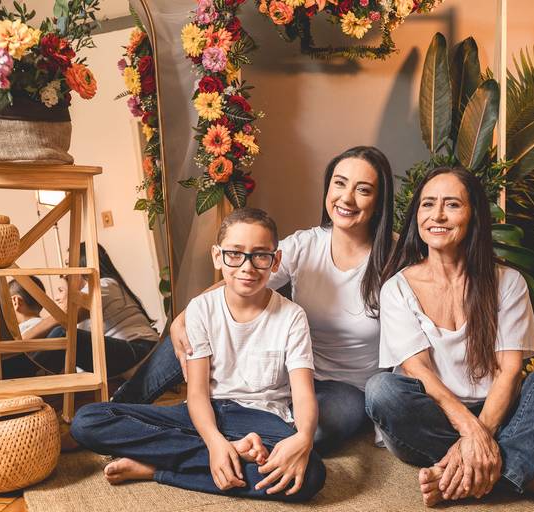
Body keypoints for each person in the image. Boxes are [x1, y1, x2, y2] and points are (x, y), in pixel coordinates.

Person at [113, 146, 395, 453]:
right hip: (286, 373)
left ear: (378, 201)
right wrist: (183, 317)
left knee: (310, 436)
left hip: (346, 388)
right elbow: (237, 281)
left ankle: (186, 449)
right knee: (188, 329)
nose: (346, 198)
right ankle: (120, 409)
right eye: (339, 183)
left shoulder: (395, 258)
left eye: (362, 190)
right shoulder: (305, 245)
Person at [364, 167, 534, 507]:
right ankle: (515, 471)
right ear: (416, 215)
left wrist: (481, 431)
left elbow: (509, 370)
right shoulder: (397, 288)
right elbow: (419, 371)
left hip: (497, 411)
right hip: (432, 416)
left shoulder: (508, 282)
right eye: (428, 204)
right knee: (382, 391)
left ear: (474, 215)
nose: (437, 215)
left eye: (452, 204)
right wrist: (470, 431)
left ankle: (468, 475)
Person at [70, 208, 326, 501]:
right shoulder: (201, 309)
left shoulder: (292, 316)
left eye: (260, 255)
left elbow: (303, 394)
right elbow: (197, 394)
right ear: (217, 256)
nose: (247, 266)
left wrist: (303, 438)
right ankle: (224, 455)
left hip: (262, 420)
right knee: (87, 421)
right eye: (234, 254)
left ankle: (157, 467)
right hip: (205, 414)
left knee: (311, 473)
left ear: (276, 260)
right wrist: (215, 443)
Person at [24, 243, 158, 378]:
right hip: (127, 355)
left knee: (64, 335)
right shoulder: (91, 294)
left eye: (67, 264)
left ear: (83, 264)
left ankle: (21, 374)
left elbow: (65, 314)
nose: (64, 274)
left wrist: (23, 342)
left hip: (139, 349)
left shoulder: (103, 284)